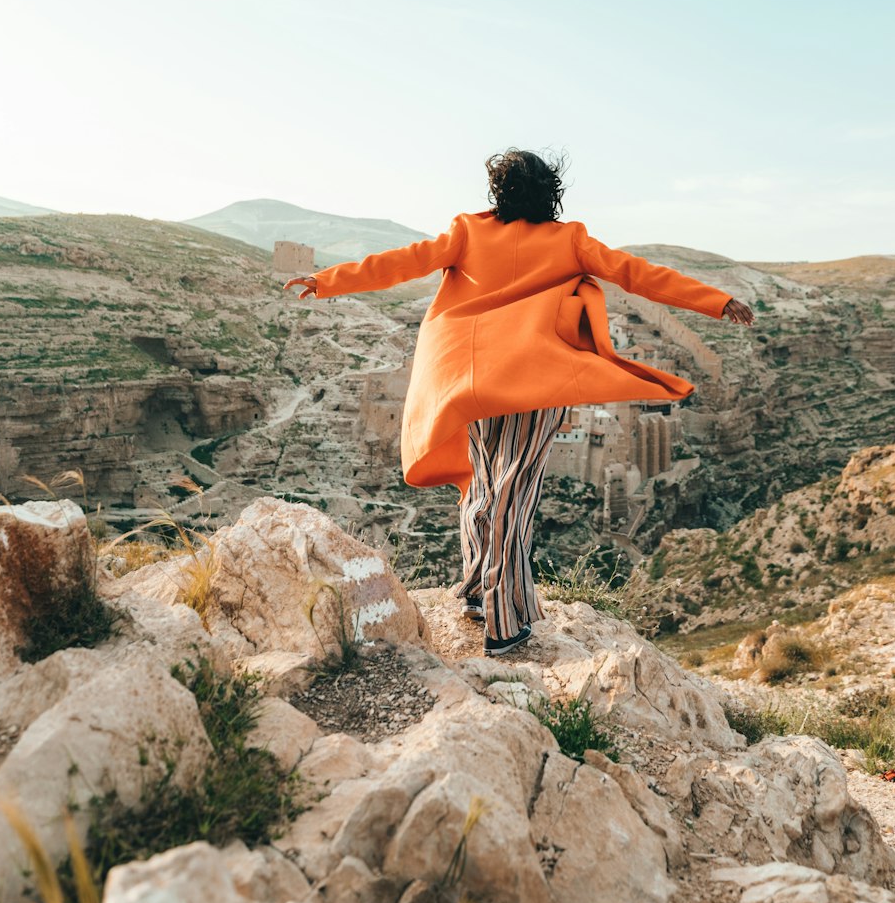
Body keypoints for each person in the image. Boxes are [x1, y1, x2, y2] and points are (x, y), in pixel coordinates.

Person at [285, 150, 754, 656]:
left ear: (498, 191)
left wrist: (326, 280)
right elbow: (636, 273)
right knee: (514, 494)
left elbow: (403, 261)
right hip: (535, 386)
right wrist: (716, 300)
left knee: (481, 487)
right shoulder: (569, 239)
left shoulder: (468, 230)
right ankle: (504, 621)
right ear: (549, 190)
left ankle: (473, 592)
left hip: (472, 386)